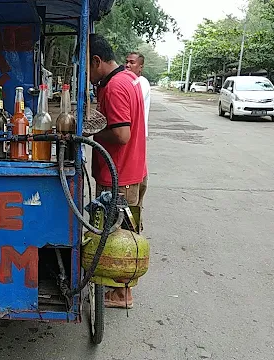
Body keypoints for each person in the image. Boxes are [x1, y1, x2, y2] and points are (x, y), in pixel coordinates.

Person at [89, 34, 147, 309]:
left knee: (116, 236)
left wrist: (92, 133)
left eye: (85, 66)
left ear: (97, 61)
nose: (85, 74)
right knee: (124, 231)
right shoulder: (127, 79)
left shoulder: (114, 87)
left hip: (119, 175)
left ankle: (121, 294)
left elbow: (121, 134)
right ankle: (120, 291)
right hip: (130, 170)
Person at [125, 52, 150, 230]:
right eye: (126, 62)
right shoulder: (134, 82)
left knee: (133, 192)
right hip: (137, 140)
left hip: (135, 141)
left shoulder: (139, 84)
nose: (127, 65)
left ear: (140, 67)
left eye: (132, 63)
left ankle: (133, 231)